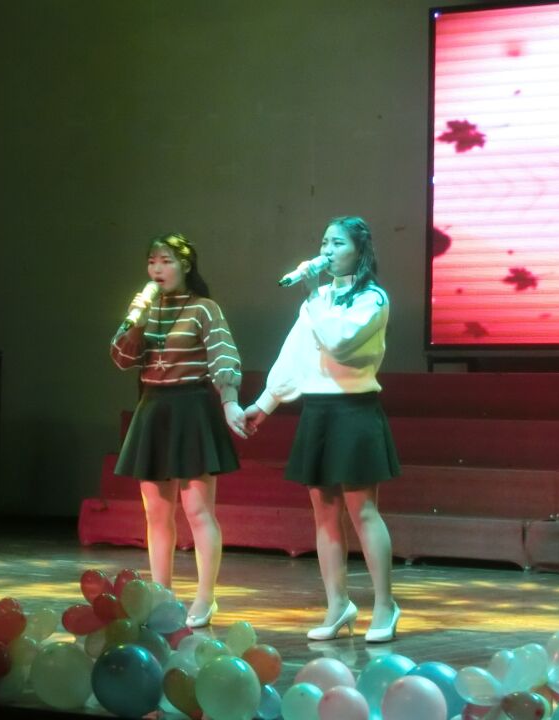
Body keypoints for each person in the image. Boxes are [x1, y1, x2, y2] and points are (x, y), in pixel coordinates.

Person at [244, 216, 401, 642]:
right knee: (324, 513)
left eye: (338, 243)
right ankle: (338, 604)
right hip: (318, 411)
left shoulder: (372, 298)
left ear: (359, 250)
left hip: (354, 410)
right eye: (324, 242)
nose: (327, 251)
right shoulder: (318, 299)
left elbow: (340, 343)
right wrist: (265, 403)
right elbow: (294, 354)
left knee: (363, 511)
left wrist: (313, 295)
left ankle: (384, 605)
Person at [111, 232, 247, 628]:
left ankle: (205, 597)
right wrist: (135, 322)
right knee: (156, 513)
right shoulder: (146, 308)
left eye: (166, 261)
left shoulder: (204, 308)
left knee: (198, 510)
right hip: (154, 408)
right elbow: (120, 358)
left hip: (191, 410)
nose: (157, 268)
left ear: (185, 265)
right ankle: (162, 597)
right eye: (152, 261)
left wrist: (229, 400)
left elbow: (224, 356)